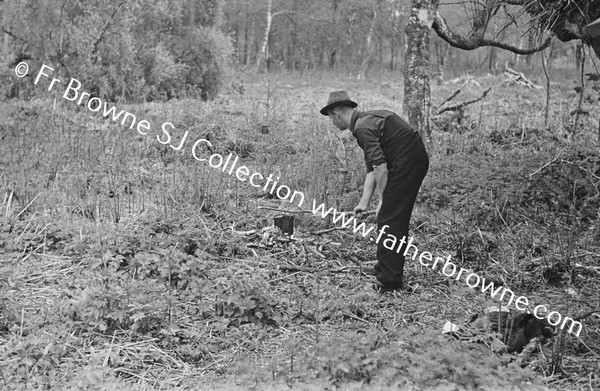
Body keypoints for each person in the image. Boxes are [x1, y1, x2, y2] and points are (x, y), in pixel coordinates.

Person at [320, 91, 429, 292]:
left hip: (409, 160)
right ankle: (384, 267)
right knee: (388, 216)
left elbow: (381, 168)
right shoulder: (363, 123)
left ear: (336, 114)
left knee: (391, 218)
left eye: (331, 119)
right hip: (407, 159)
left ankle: (390, 280)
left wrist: (382, 201)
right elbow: (372, 169)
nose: (333, 124)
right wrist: (363, 203)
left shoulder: (362, 127)